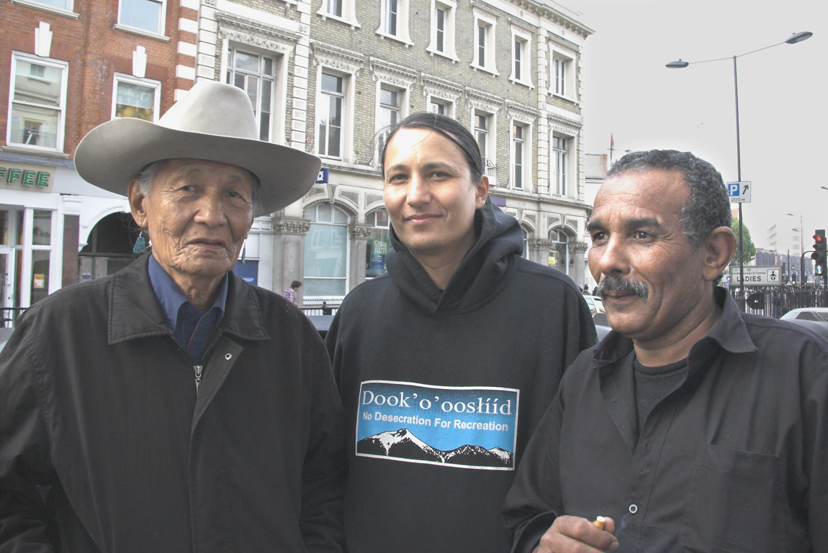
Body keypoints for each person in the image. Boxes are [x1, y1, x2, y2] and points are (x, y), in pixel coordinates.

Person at [0, 82, 347, 552]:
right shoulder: (57, 334)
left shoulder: (293, 338)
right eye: (188, 189)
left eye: (234, 196)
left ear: (250, 216)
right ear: (141, 205)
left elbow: (323, 487)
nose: (211, 214)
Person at [503, 150, 828, 553]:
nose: (608, 261)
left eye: (642, 235)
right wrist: (545, 544)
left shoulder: (805, 376)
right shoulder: (583, 377)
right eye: (599, 236)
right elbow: (529, 517)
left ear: (714, 254)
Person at [325, 113, 596, 553]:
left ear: (480, 191)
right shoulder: (359, 312)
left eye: (438, 174)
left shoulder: (553, 306)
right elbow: (324, 467)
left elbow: (587, 461)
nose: (416, 195)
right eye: (398, 178)